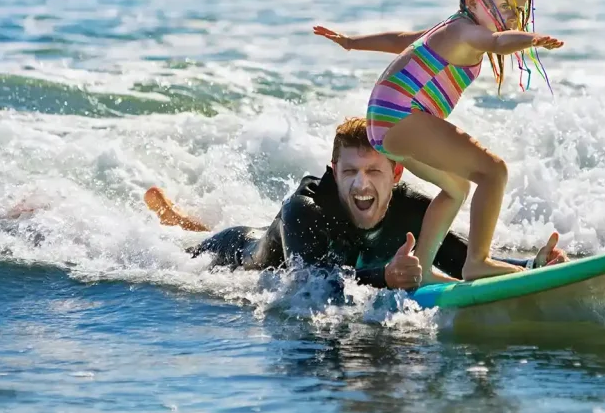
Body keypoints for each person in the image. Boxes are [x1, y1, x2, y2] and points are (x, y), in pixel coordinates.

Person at [312, 0, 564, 286]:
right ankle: (477, 263)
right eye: (503, 8)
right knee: (494, 171)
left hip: (385, 122)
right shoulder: (468, 31)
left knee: (456, 189)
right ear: (474, 1)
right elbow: (497, 43)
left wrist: (351, 43)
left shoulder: (448, 29)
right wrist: (531, 39)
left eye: (517, 11)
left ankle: (424, 267)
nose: (511, 19)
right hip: (401, 115)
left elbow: (401, 40)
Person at [145, 117, 567, 290]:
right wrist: (386, 275)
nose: (360, 185)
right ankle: (175, 220)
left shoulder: (410, 208)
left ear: (396, 173)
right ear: (334, 169)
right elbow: (311, 282)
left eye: (373, 172)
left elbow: (459, 258)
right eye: (349, 173)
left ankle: (178, 217)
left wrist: (530, 266)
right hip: (238, 255)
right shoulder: (305, 208)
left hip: (335, 258)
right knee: (182, 250)